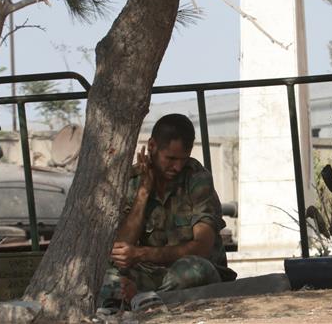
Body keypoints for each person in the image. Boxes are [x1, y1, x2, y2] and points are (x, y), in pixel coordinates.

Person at [98, 113, 236, 309]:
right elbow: (122, 247)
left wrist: (141, 254)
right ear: (152, 146)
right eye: (170, 158)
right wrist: (143, 193)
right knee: (106, 277)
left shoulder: (197, 179)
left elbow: (202, 248)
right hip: (150, 275)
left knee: (195, 269)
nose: (177, 166)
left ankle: (146, 302)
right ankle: (141, 299)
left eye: (183, 159)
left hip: (188, 274)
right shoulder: (134, 180)